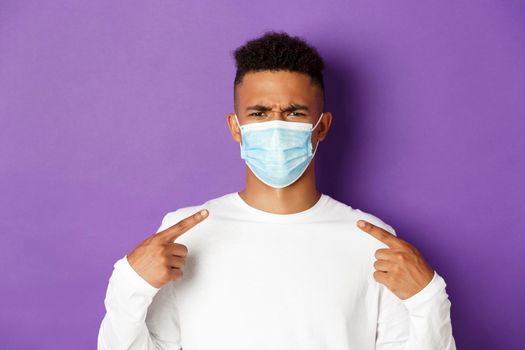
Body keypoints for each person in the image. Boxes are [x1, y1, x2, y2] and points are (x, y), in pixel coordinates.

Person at [97, 31, 456, 350]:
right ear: (235, 127)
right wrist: (128, 283)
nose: (276, 124)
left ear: (322, 126)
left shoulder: (373, 241)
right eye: (258, 113)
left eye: (295, 112)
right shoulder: (186, 232)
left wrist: (428, 298)